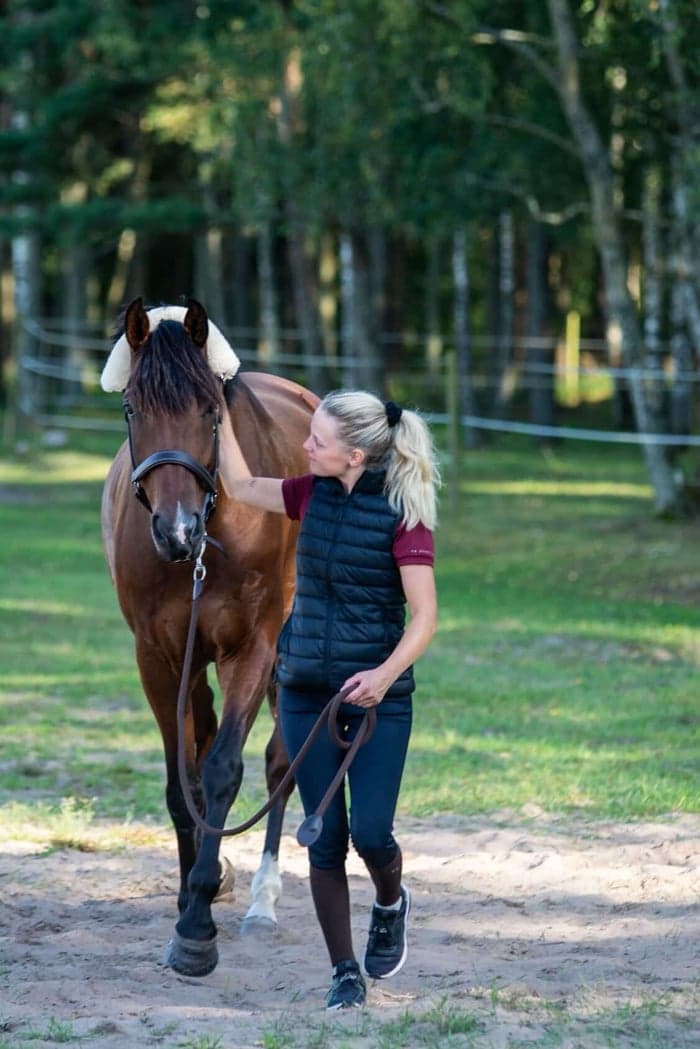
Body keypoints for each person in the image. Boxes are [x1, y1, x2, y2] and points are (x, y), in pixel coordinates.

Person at [218, 389, 440, 1010]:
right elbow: (239, 483)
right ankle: (344, 972)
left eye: (318, 440)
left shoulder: (403, 514)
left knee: (371, 833)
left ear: (355, 455)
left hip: (377, 700)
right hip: (305, 691)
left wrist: (385, 675)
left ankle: (391, 901)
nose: (306, 446)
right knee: (324, 838)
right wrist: (217, 401)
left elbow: (425, 617)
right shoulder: (307, 494)